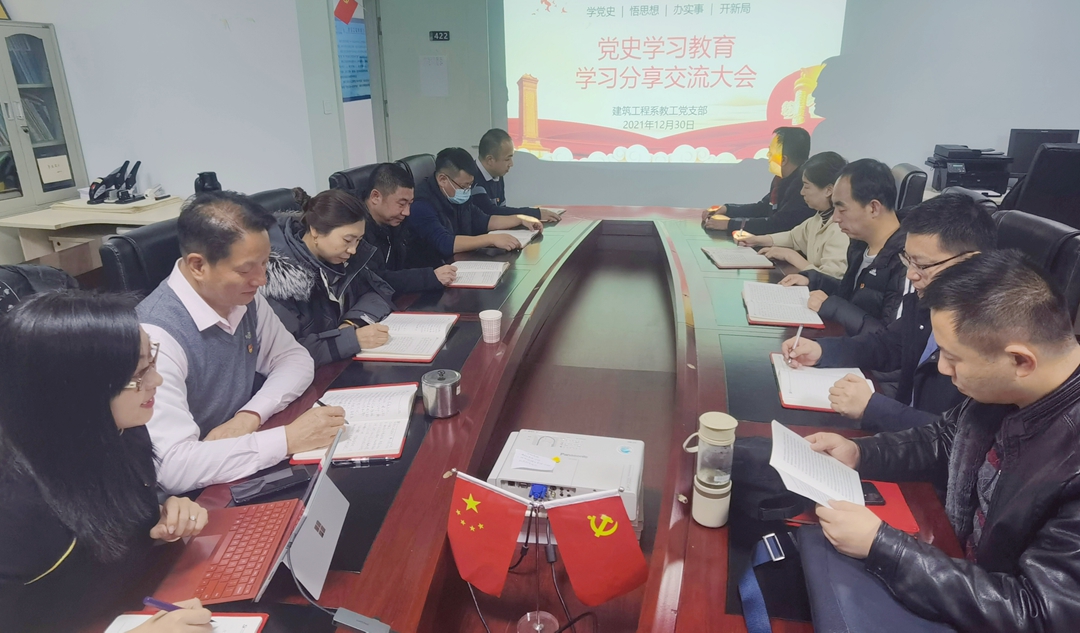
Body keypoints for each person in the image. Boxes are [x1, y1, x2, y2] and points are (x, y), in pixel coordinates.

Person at [806, 251, 1080, 631]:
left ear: (1020, 361)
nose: (941, 367)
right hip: (955, 567)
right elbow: (949, 439)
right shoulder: (1010, 388)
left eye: (952, 357)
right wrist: (860, 452)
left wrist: (885, 547)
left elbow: (1039, 612)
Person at [0, 291, 209, 633]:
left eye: (152, 361)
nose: (155, 381)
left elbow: (105, 536)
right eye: (139, 373)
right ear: (77, 390)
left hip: (134, 606)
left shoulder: (123, 429)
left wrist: (162, 517)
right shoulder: (16, 505)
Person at [138, 191, 345, 495]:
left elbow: (294, 359)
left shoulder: (242, 299)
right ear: (198, 266)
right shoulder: (154, 337)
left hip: (237, 462)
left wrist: (249, 416)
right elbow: (172, 466)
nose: (261, 280)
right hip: (187, 499)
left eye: (265, 263)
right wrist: (287, 440)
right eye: (246, 270)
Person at [783, 194, 995, 431]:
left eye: (923, 265)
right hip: (900, 436)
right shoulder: (930, 300)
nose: (911, 275)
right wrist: (823, 351)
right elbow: (889, 344)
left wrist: (875, 409)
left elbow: (958, 437)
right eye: (908, 260)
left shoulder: (993, 336)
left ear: (970, 262)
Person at [262, 187, 395, 367]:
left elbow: (378, 291)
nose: (353, 250)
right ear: (315, 231)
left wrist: (351, 323)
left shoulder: (340, 259)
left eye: (358, 240)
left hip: (338, 365)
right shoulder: (277, 280)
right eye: (347, 240)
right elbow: (283, 354)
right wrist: (349, 340)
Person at [779, 158, 905, 336]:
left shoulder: (908, 262)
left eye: (842, 209)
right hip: (846, 343)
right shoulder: (860, 245)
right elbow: (854, 294)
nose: (835, 218)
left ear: (873, 208)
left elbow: (892, 340)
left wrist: (833, 306)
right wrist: (814, 280)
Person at [404, 147, 544, 269]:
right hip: (431, 273)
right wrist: (491, 239)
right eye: (464, 186)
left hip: (457, 264)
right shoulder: (420, 204)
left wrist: (520, 219)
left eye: (469, 185)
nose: (467, 190)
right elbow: (445, 243)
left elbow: (484, 220)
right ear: (442, 180)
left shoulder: (454, 195)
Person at [734, 151, 849, 278]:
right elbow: (793, 237)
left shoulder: (842, 228)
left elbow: (830, 278)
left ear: (828, 190)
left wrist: (791, 255)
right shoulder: (819, 218)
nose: (802, 192)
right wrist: (757, 240)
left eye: (806, 186)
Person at [359, 162, 458, 294]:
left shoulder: (395, 221)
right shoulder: (354, 230)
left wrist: (440, 268)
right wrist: (430, 277)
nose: (407, 212)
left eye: (410, 203)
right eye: (401, 204)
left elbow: (412, 257)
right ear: (375, 197)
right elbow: (374, 280)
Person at [702, 127, 815, 234]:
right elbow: (762, 208)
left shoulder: (802, 186)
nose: (768, 156)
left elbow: (777, 225)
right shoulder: (781, 179)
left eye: (771, 152)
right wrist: (727, 209)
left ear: (783, 160)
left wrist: (730, 224)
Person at [467, 128, 561, 224]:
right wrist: (534, 214)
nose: (511, 164)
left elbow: (502, 210)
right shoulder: (472, 179)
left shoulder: (497, 175)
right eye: (507, 159)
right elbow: (491, 212)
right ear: (490, 160)